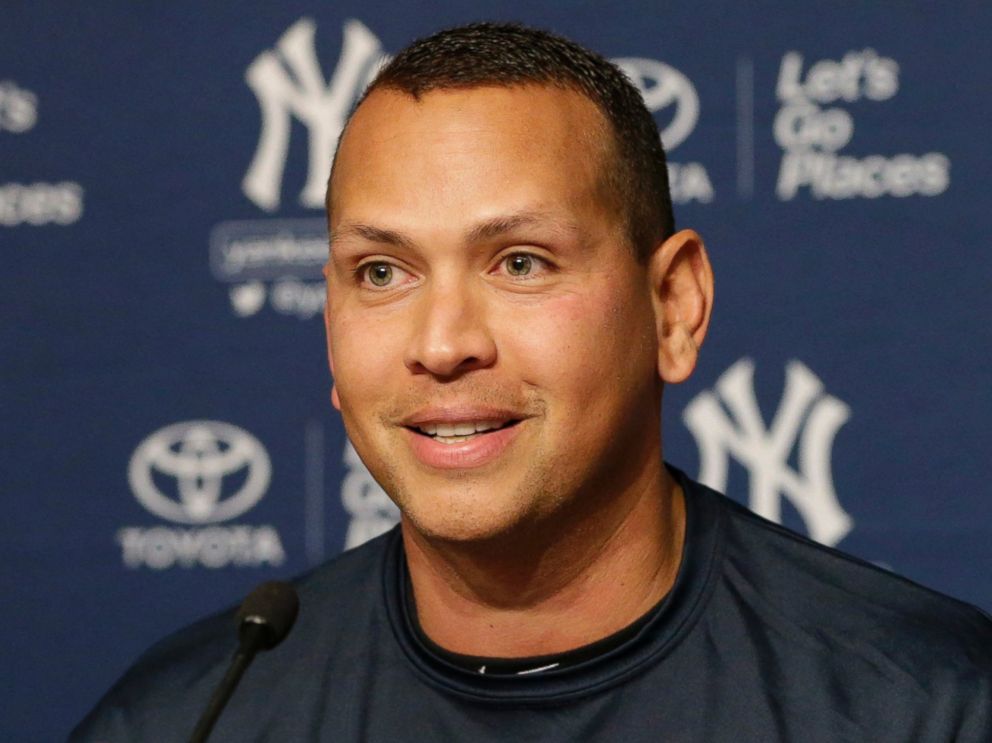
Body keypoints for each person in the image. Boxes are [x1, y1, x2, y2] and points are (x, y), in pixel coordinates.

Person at [72, 22, 991, 742]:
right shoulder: (186, 718)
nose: (442, 344)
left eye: (520, 262)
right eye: (382, 273)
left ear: (673, 307)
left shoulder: (927, 708)